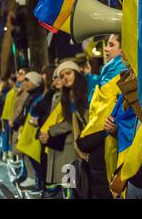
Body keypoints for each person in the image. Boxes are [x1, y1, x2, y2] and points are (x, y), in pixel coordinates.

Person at [76, 34, 126, 199]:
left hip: (109, 142)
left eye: (111, 45)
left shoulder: (123, 74)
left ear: (123, 49)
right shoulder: (105, 75)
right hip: (100, 144)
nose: (105, 48)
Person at [39, 60, 88, 199]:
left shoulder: (84, 94)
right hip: (69, 147)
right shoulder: (68, 96)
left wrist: (51, 131)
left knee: (72, 187)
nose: (64, 77)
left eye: (68, 73)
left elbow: (74, 122)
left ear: (77, 73)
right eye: (61, 75)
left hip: (76, 149)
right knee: (69, 187)